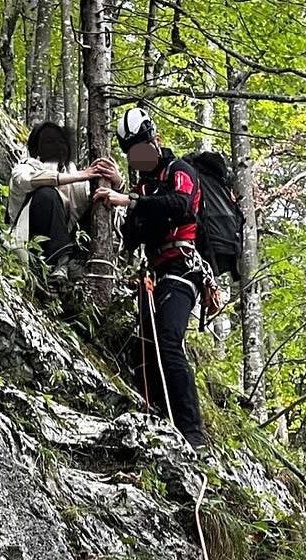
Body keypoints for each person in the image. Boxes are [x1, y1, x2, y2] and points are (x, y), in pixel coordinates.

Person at [91, 108, 208, 449]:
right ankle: (158, 414)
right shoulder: (145, 185)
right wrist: (120, 198)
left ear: (155, 141)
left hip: (182, 268)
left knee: (168, 341)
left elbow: (182, 205)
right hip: (154, 273)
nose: (138, 157)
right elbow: (131, 234)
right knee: (145, 345)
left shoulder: (179, 171)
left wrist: (130, 198)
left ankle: (193, 433)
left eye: (142, 150)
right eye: (133, 154)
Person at [7, 122, 101, 282]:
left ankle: (79, 266)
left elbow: (92, 194)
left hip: (64, 243)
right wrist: (77, 176)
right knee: (46, 194)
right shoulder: (24, 168)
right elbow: (25, 180)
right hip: (28, 245)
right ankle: (60, 264)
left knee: (96, 202)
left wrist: (117, 183)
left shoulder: (70, 174)